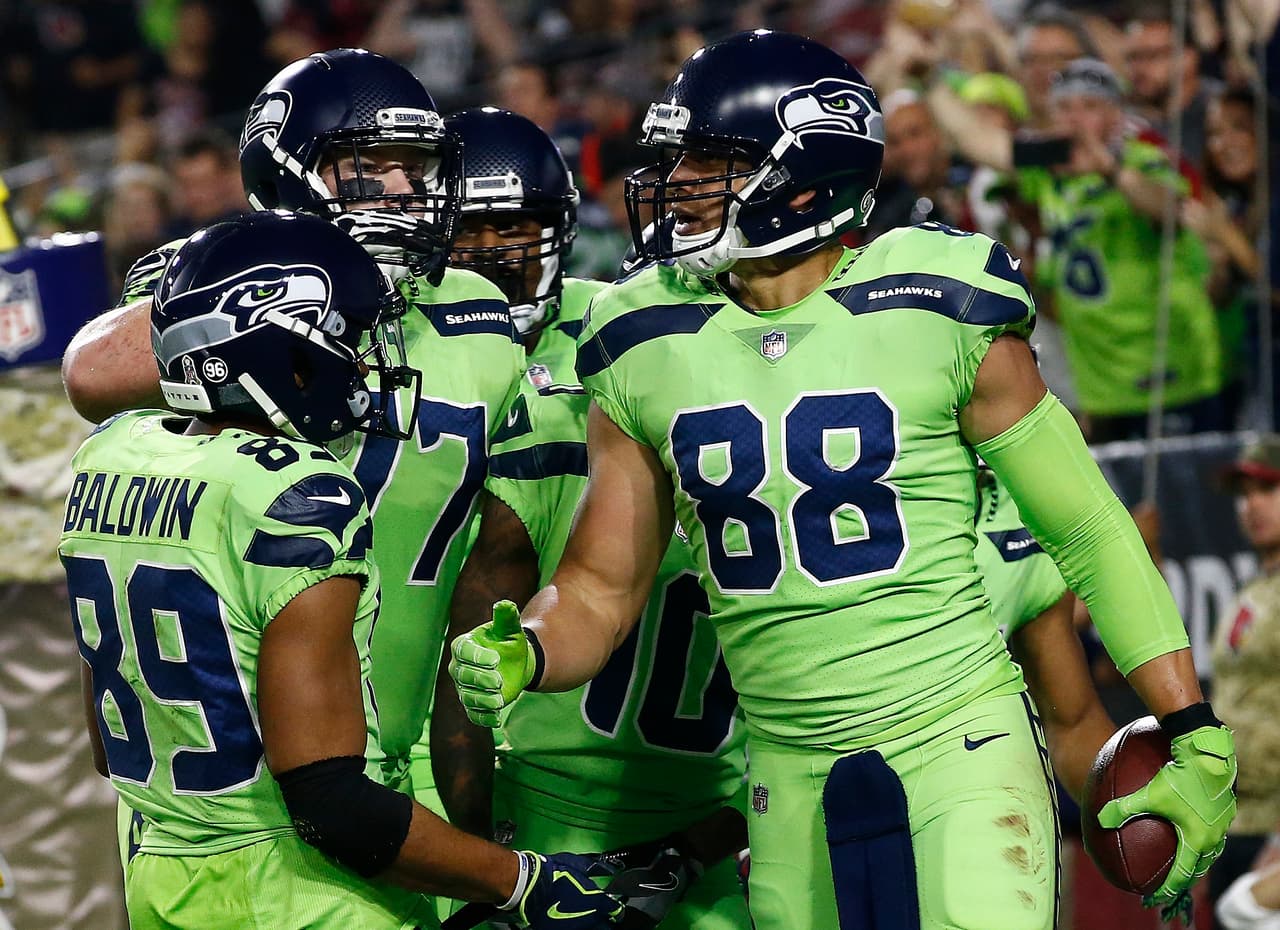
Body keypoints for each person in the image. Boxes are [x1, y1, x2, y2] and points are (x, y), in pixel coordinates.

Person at [446, 30, 1237, 930]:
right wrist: (531, 649)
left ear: (806, 173)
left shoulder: (936, 298)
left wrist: (1192, 728)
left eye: (710, 163)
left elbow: (1090, 527)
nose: (677, 187)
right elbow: (599, 586)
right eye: (678, 162)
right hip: (782, 765)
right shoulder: (643, 337)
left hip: (956, 736)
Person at [58, 210, 622, 930]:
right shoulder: (298, 494)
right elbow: (332, 804)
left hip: (162, 874)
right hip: (303, 890)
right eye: (343, 338)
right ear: (273, 347)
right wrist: (523, 881)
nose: (359, 362)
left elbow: (107, 746)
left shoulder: (107, 463)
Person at [60, 50, 527, 819]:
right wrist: (273, 292)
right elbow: (89, 373)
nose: (407, 193)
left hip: (404, 753)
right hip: (232, 776)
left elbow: (489, 545)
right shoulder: (205, 276)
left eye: (418, 169)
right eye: (375, 167)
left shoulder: (474, 308)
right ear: (289, 172)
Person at [426, 106, 752, 929]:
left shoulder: (626, 330)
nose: (494, 250)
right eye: (470, 228)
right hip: (495, 749)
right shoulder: (395, 350)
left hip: (668, 744)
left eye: (515, 224)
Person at [1210, 437, 1280, 926]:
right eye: (1243, 493)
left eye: (1267, 490)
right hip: (1232, 823)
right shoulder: (1251, 591)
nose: (1251, 506)